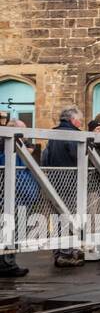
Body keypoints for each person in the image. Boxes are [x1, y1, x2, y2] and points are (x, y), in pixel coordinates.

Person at [44, 106, 86, 267]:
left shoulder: (52, 134)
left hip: (53, 180)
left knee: (57, 219)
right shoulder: (74, 135)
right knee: (69, 218)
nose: (80, 124)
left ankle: (58, 252)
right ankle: (66, 253)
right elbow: (78, 156)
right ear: (73, 120)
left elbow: (45, 156)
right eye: (80, 121)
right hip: (70, 182)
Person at [0, 118, 32, 277]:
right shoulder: (11, 149)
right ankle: (7, 264)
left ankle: (7, 262)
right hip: (14, 196)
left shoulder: (14, 147)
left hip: (16, 196)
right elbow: (18, 175)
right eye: (23, 130)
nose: (26, 134)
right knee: (10, 230)